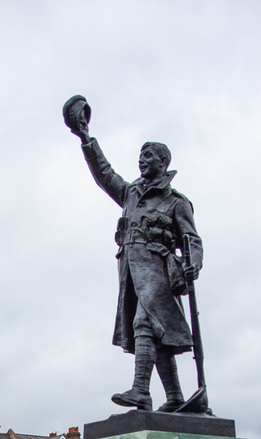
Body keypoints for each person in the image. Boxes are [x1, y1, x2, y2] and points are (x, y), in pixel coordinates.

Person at [66, 99, 203, 411]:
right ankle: (176, 398)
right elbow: (105, 174)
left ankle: (141, 390)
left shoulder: (176, 202)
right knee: (159, 336)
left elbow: (191, 238)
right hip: (132, 273)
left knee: (146, 322)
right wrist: (87, 139)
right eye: (140, 156)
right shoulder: (131, 194)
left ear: (164, 162)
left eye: (149, 156)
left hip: (159, 272)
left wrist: (194, 261)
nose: (142, 161)